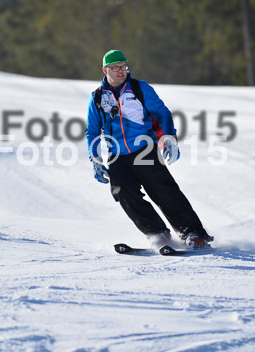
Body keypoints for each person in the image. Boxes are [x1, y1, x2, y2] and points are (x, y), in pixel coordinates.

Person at [85, 50, 213, 250]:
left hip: (144, 148)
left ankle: (193, 233)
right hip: (116, 154)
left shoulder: (139, 88)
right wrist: (95, 159)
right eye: (115, 67)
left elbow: (162, 113)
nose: (121, 71)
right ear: (105, 70)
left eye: (123, 66)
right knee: (123, 193)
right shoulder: (97, 98)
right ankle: (157, 233)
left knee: (163, 190)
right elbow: (92, 131)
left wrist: (170, 137)